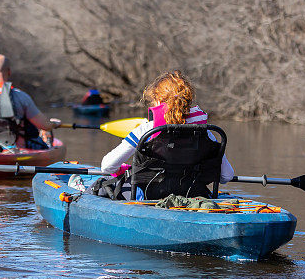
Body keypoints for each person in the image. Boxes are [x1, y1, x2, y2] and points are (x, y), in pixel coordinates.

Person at [100, 70, 234, 197]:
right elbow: (226, 176)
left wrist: (126, 169)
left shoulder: (146, 130)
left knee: (101, 186)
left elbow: (107, 167)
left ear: (158, 101)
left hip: (149, 197)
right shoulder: (206, 133)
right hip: (192, 195)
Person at [0, 54, 60, 149]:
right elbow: (44, 125)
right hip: (17, 150)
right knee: (44, 133)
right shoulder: (21, 97)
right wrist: (54, 124)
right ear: (9, 72)